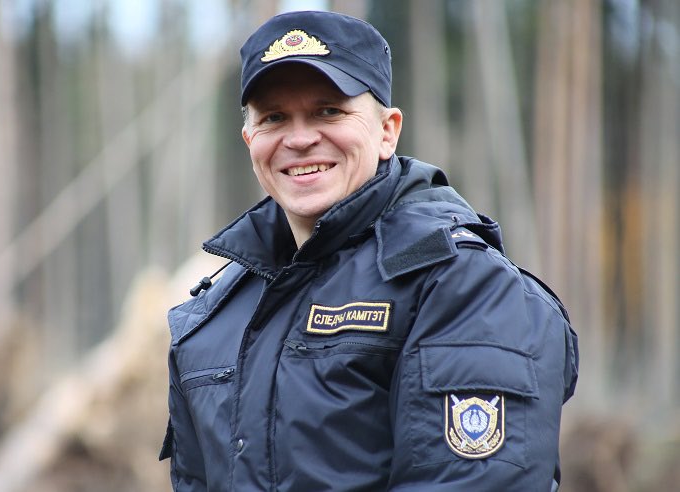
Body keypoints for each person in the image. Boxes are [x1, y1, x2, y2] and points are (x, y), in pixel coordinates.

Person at [160, 10, 579, 491]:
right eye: (274, 117)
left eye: (328, 111)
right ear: (250, 139)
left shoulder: (463, 288)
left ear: (387, 132)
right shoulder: (213, 316)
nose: (300, 138)